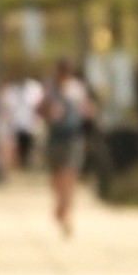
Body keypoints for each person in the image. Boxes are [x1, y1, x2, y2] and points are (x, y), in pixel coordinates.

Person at [43, 57, 97, 237]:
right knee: (57, 177)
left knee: (70, 175)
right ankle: (60, 203)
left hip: (73, 137)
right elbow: (40, 108)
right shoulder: (50, 89)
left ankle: (67, 213)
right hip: (55, 137)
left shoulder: (77, 89)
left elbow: (89, 109)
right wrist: (48, 111)